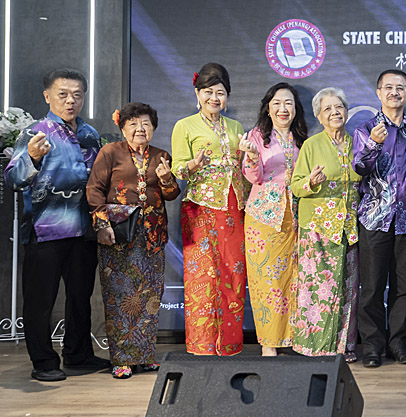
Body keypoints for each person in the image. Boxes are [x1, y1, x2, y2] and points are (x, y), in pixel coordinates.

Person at [4, 68, 110, 381]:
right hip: (45, 230)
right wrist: (33, 158)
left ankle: (78, 355)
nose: (70, 101)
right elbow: (12, 178)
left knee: (80, 297)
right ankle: (44, 362)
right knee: (40, 301)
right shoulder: (34, 133)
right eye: (63, 94)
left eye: (77, 95)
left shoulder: (90, 134)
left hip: (83, 230)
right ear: (47, 96)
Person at [86, 102, 179, 378]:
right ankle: (122, 359)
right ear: (123, 127)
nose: (140, 129)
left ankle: (146, 354)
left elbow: (171, 194)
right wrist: (101, 224)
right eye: (134, 124)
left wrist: (166, 180)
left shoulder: (162, 155)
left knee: (150, 296)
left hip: (151, 236)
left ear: (153, 127)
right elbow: (94, 191)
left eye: (146, 124)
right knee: (120, 297)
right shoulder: (110, 152)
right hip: (119, 235)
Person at [171, 62, 249, 356]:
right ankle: (202, 343)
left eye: (220, 92)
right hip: (200, 208)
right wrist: (194, 164)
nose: (214, 98)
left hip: (233, 208)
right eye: (208, 92)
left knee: (233, 272)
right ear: (197, 93)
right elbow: (179, 170)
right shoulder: (185, 125)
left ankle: (229, 343)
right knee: (202, 275)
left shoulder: (236, 128)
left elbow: (244, 167)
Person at [352, 69, 406, 367]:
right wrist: (373, 142)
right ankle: (372, 346)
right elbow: (359, 167)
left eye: (400, 88)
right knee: (371, 287)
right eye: (389, 87)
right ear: (379, 93)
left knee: (403, 286)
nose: (395, 92)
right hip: (375, 218)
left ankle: (398, 342)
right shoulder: (365, 129)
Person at [290, 87, 362, 360]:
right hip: (318, 228)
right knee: (318, 288)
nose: (335, 112)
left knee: (348, 288)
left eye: (339, 107)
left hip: (349, 226)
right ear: (319, 116)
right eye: (328, 109)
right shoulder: (311, 145)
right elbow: (296, 186)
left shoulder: (358, 142)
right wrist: (311, 182)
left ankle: (344, 347)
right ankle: (315, 347)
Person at [240, 83, 306, 356]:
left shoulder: (302, 138)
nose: (283, 109)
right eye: (277, 103)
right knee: (266, 281)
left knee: (294, 279)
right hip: (264, 218)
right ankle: (269, 342)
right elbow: (252, 176)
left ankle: (291, 337)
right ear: (268, 108)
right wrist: (253, 158)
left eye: (288, 103)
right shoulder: (256, 136)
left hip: (296, 217)